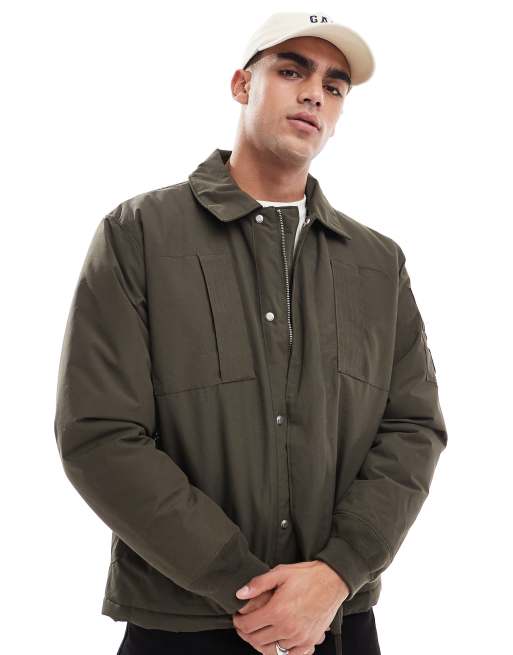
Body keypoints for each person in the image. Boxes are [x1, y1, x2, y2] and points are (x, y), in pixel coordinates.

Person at [53, 11, 448, 655]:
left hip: (337, 623)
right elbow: (99, 434)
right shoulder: (139, 234)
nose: (314, 94)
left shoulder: (378, 263)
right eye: (292, 71)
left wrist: (337, 574)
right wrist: (248, 587)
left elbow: (413, 428)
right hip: (178, 625)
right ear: (242, 85)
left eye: (334, 85)